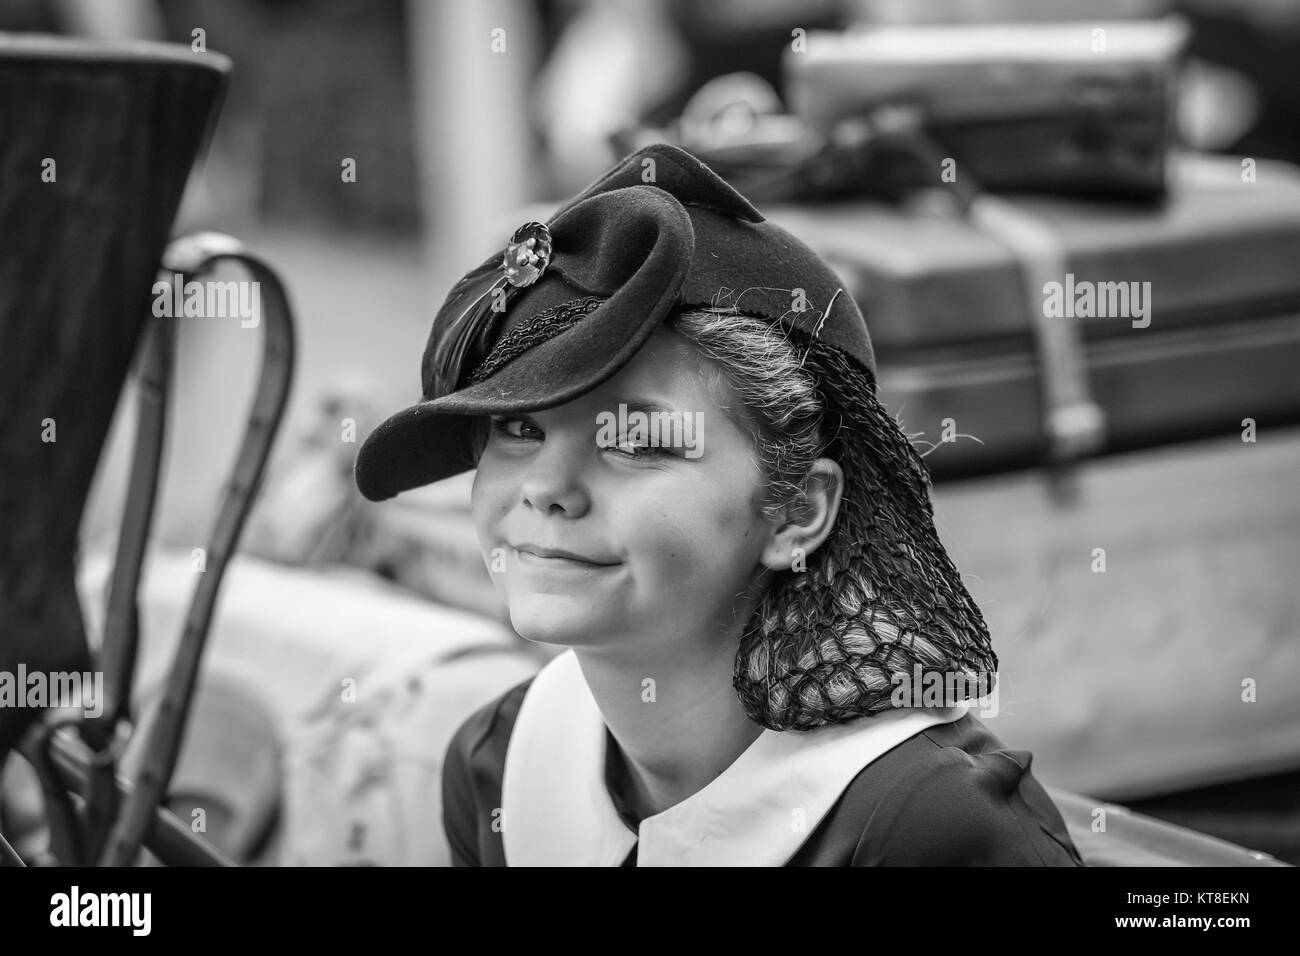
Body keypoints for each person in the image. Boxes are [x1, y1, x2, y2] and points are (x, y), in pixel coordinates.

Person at [353, 143, 1085, 866]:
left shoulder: (928, 832)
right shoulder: (497, 770)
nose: (546, 487)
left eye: (635, 440)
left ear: (797, 509)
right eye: (518, 427)